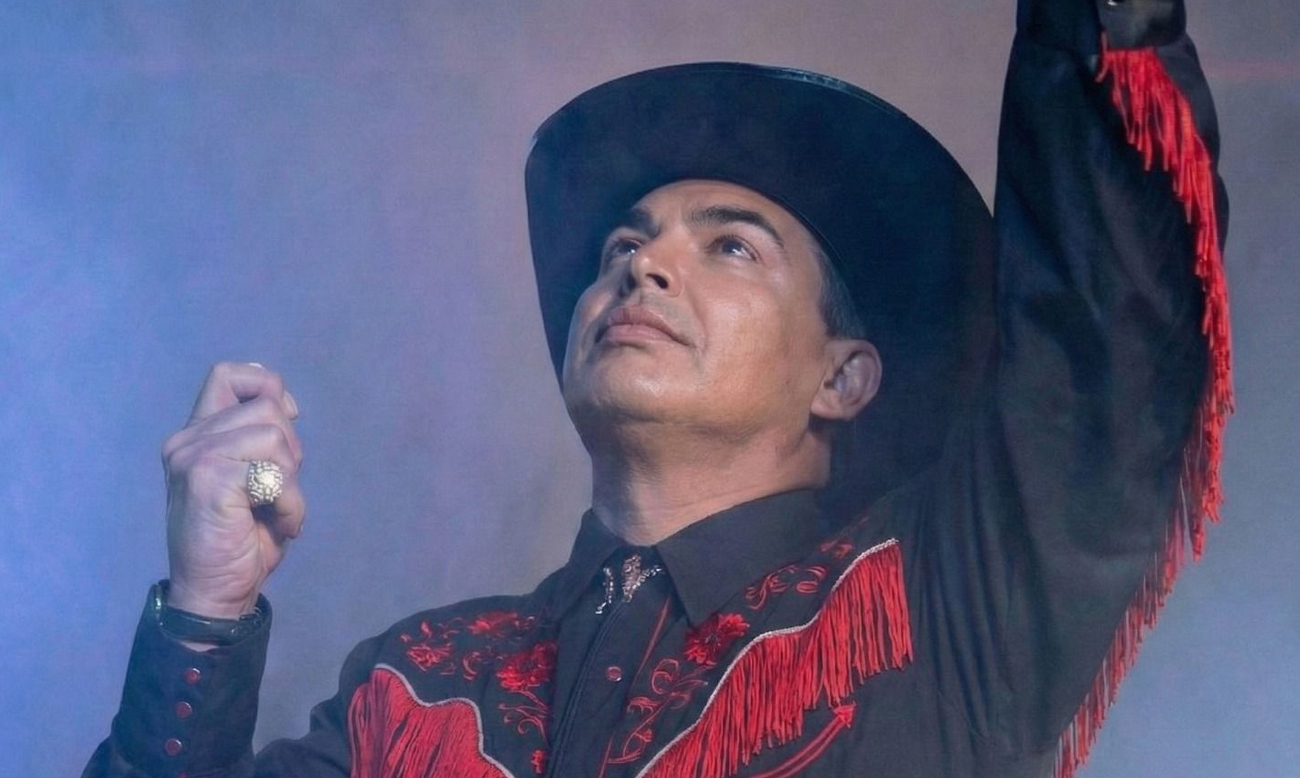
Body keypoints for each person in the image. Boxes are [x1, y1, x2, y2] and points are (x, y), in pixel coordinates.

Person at [84, 0, 1233, 776]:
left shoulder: (931, 604)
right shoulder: (421, 684)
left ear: (841, 376)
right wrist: (206, 608)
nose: (641, 265)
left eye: (728, 245)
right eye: (621, 245)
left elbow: (1107, 335)